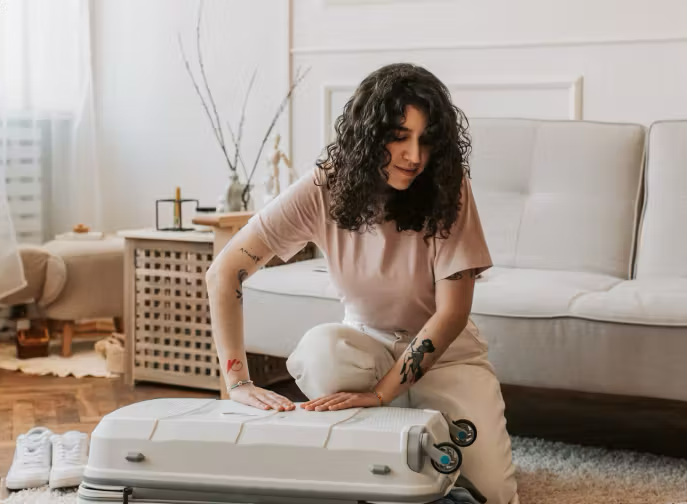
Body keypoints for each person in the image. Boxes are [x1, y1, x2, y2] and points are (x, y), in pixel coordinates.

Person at [206, 62, 519, 504]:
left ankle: (401, 418)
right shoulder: (324, 186)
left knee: (492, 495)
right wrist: (237, 382)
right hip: (365, 347)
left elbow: (452, 312)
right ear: (369, 136)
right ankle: (385, 442)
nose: (414, 156)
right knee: (322, 353)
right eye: (398, 136)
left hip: (449, 357)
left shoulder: (448, 189)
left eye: (425, 140)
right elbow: (224, 271)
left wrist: (381, 393)